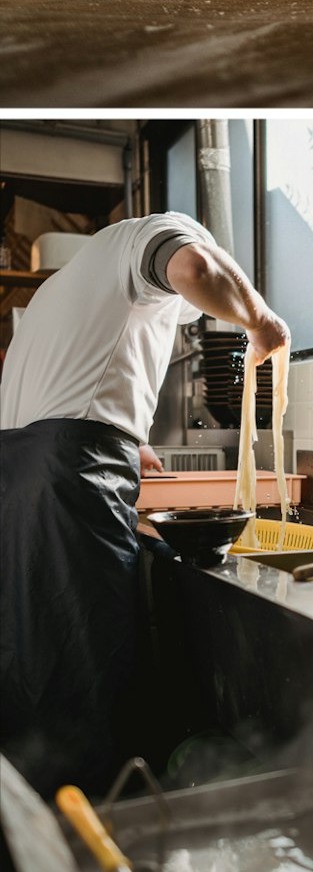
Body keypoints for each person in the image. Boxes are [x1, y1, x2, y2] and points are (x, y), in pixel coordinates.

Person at [0, 214, 288, 796]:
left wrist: (132, 439)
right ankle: (98, 834)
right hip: (68, 477)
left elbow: (76, 375)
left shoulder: (66, 281)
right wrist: (261, 320)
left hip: (17, 471)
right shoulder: (155, 233)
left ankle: (33, 825)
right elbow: (194, 268)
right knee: (85, 659)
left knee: (32, 656)